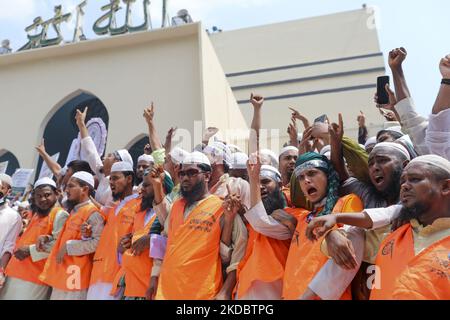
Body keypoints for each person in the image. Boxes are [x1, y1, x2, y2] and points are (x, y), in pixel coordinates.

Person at [306, 155, 450, 299]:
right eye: (402, 181)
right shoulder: (392, 233)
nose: (405, 186)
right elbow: (338, 246)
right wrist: (332, 234)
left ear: (445, 187)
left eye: (415, 179)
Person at [154, 152, 247, 300]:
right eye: (182, 173)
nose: (185, 178)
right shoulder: (176, 206)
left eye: (192, 173)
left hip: (202, 293)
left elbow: (238, 254)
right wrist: (154, 277)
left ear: (207, 176)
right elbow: (164, 243)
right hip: (166, 291)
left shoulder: (222, 207)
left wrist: (226, 291)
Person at [282, 152, 363, 300]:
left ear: (328, 176)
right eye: (301, 177)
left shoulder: (347, 202)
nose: (306, 180)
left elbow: (349, 255)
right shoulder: (302, 217)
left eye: (312, 173)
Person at [234, 159, 296, 300]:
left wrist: (254, 178)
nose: (260, 187)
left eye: (266, 182)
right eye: (257, 183)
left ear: (280, 185)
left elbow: (261, 221)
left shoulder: (291, 216)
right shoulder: (249, 221)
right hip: (244, 289)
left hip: (277, 290)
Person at [39, 172, 104, 300]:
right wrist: (48, 238)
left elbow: (98, 242)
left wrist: (69, 247)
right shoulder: (75, 210)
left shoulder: (93, 213)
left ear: (84, 189)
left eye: (71, 186)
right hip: (63, 275)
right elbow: (66, 237)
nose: (66, 190)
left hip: (75, 277)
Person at [0, 178, 69, 300]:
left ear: (57, 193)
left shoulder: (59, 214)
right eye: (39, 196)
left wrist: (31, 250)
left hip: (34, 279)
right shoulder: (38, 214)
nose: (43, 199)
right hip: (15, 273)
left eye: (47, 195)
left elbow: (60, 245)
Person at [110, 168, 172, 300]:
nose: (141, 189)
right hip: (130, 285)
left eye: (147, 185)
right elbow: (132, 246)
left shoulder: (167, 213)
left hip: (150, 288)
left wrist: (151, 239)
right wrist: (123, 247)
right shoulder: (139, 213)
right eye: (142, 184)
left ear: (161, 187)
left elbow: (172, 241)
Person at [87, 161, 140, 300]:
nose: (111, 182)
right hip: (97, 276)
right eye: (110, 178)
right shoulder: (114, 208)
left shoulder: (139, 206)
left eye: (115, 178)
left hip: (117, 280)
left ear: (129, 179)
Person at [76, 107, 133, 206]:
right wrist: (81, 124)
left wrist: (89, 202)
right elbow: (91, 151)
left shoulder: (119, 187)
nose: (104, 157)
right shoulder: (103, 176)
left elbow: (109, 210)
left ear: (117, 162)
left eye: (109, 156)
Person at [0, 176, 22, 291]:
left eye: (1, 188)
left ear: (8, 191)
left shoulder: (14, 216)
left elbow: (9, 246)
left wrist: (1, 272)